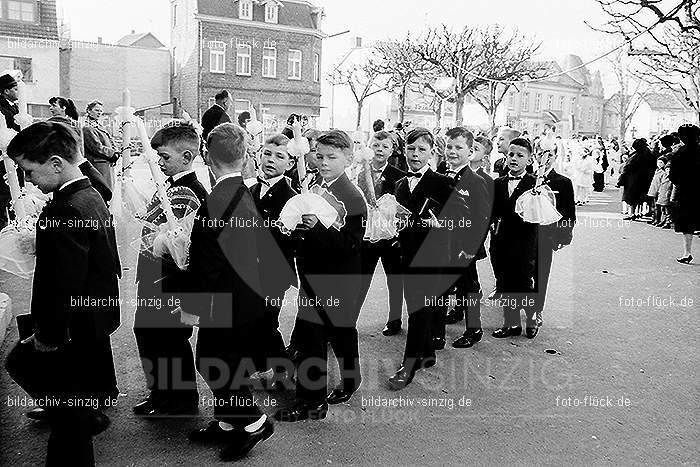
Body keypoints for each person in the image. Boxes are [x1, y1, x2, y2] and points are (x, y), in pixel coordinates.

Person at [5, 121, 121, 464]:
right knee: (42, 376)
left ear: (56, 164)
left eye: (29, 170)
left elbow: (62, 282)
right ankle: (85, 415)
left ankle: (81, 422)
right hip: (94, 312)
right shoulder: (91, 192)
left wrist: (49, 334)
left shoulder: (63, 209)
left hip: (72, 322)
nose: (28, 180)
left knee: (66, 422)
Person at [183, 123, 273, 462]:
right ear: (244, 156)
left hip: (227, 298)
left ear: (206, 155)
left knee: (211, 363)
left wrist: (191, 308)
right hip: (246, 294)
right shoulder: (241, 189)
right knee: (226, 362)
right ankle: (226, 422)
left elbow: (207, 264)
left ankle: (253, 421)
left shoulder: (217, 199)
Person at [275, 130, 367, 421]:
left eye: (332, 157)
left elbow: (351, 246)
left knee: (331, 335)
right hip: (312, 274)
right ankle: (328, 391)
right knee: (320, 335)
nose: (324, 162)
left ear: (349, 159)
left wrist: (316, 227)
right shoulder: (313, 185)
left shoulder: (353, 198)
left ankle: (330, 391)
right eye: (320, 155)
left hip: (338, 278)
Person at [132, 124, 206, 417]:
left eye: (164, 157)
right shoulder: (172, 187)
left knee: (167, 338)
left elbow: (183, 246)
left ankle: (179, 399)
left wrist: (162, 240)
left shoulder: (189, 191)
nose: (159, 163)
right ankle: (161, 393)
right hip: (156, 275)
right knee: (151, 335)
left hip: (171, 280)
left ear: (186, 157)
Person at [387, 128, 461, 390]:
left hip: (433, 257)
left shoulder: (444, 182)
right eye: (410, 149)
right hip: (407, 256)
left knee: (418, 312)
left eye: (421, 149)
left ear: (432, 152)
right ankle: (427, 352)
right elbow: (398, 221)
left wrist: (441, 225)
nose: (415, 155)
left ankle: (409, 365)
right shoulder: (398, 184)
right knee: (416, 307)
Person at [250, 133, 298, 386]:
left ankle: (282, 366)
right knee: (254, 318)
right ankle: (262, 366)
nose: (271, 160)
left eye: (279, 156)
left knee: (266, 320)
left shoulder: (290, 197)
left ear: (290, 164)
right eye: (267, 153)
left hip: (273, 271)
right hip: (250, 269)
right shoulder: (252, 189)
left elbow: (288, 240)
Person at [437, 127, 491, 350]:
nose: (452, 151)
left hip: (463, 246)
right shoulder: (440, 174)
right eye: (449, 146)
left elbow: (482, 219)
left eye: (459, 147)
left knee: (469, 286)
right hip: (442, 244)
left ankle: (474, 329)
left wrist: (470, 249)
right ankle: (438, 330)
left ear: (470, 151)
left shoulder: (476, 181)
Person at [356, 130, 406, 336]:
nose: (379, 150)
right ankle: (350, 319)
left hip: (389, 235)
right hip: (367, 235)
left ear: (392, 150)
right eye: (375, 145)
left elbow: (402, 207)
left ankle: (394, 319)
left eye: (385, 146)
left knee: (394, 279)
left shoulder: (398, 175)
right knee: (361, 279)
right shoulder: (360, 173)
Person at [490, 137, 538, 339]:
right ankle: (511, 323)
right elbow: (491, 210)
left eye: (520, 155)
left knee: (523, 281)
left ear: (529, 159)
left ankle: (532, 318)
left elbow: (542, 213)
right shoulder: (498, 183)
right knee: (504, 281)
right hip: (500, 241)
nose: (514, 158)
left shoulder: (535, 183)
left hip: (524, 242)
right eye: (510, 154)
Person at [531, 145, 576, 338]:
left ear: (556, 157)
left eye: (549, 154)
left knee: (541, 273)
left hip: (546, 236)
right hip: (524, 235)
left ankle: (536, 310)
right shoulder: (528, 179)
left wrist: (562, 236)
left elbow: (569, 213)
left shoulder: (563, 182)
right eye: (541, 154)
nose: (545, 158)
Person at [669, 124, 700, 264]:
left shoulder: (680, 154)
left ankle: (687, 252)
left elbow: (673, 176)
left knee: (687, 223)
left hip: (686, 193)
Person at [0, 73, 23, 229]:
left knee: (18, 193)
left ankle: (18, 224)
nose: (18, 92)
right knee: (5, 195)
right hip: (4, 158)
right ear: (6, 91)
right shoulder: (1, 107)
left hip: (17, 156)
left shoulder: (16, 107)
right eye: (15, 89)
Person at [83, 100, 118, 187]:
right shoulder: (87, 127)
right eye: (96, 110)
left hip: (106, 163)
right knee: (101, 189)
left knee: (109, 189)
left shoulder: (100, 126)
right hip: (98, 165)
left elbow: (110, 139)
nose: (99, 113)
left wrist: (116, 151)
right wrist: (112, 154)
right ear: (89, 111)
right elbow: (96, 147)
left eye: (100, 111)